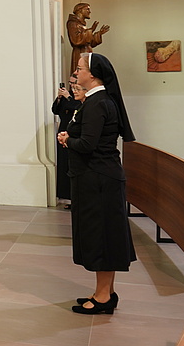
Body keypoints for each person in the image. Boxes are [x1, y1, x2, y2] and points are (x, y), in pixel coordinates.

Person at [57, 52, 136, 315]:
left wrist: (68, 140)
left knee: (102, 238)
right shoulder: (95, 101)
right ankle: (105, 292)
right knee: (103, 236)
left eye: (79, 69)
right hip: (96, 178)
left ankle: (103, 297)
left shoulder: (98, 102)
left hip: (98, 179)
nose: (76, 72)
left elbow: (89, 145)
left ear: (92, 74)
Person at [51, 75, 79, 208]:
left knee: (73, 164)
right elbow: (55, 110)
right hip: (63, 130)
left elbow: (77, 107)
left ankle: (76, 198)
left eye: (74, 82)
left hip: (74, 133)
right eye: (70, 83)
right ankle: (67, 197)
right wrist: (59, 98)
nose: (72, 85)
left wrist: (68, 97)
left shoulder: (79, 95)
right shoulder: (66, 96)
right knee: (63, 164)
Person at [66, 3, 110, 77]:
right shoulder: (73, 23)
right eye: (87, 9)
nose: (89, 12)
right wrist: (91, 30)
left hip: (86, 53)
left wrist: (99, 34)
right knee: (81, 75)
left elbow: (89, 43)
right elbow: (76, 40)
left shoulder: (82, 25)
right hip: (80, 53)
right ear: (80, 10)